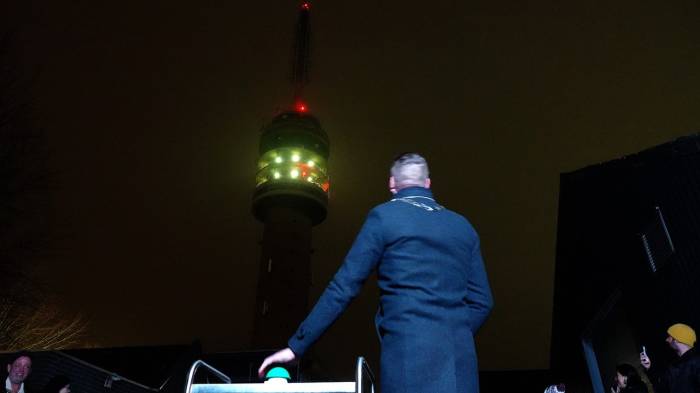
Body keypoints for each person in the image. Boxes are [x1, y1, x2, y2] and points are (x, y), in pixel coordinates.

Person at [258, 153, 494, 393]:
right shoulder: (463, 227)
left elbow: (343, 287)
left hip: (408, 359)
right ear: (428, 183)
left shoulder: (384, 217)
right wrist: (452, 336)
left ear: (392, 184)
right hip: (460, 365)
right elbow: (483, 302)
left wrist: (297, 346)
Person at [640, 323, 700, 393]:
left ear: (677, 339)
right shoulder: (673, 366)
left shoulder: (696, 362)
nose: (667, 340)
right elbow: (662, 389)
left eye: (669, 337)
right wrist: (649, 369)